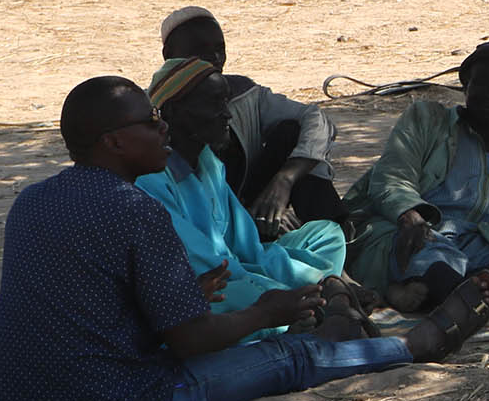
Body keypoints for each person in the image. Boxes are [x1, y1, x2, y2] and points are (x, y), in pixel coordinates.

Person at [0, 77, 489, 401]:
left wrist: (190, 293)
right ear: (114, 142)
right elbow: (190, 342)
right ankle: (413, 345)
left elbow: (96, 304)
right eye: (150, 122)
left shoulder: (31, 201)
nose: (162, 127)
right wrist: (266, 311)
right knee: (290, 358)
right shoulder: (137, 209)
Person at [344, 40, 489, 313]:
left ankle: (472, 291)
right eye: (481, 83)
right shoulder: (427, 120)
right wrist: (410, 215)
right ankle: (479, 291)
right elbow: (390, 180)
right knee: (436, 263)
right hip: (420, 237)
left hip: (482, 250)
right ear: (465, 85)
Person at [136, 57, 350, 340]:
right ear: (175, 111)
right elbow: (210, 269)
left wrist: (277, 275)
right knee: (235, 294)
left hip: (240, 267)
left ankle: (307, 300)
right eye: (214, 104)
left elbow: (247, 248)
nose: (227, 115)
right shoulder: (151, 178)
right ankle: (302, 309)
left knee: (328, 235)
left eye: (225, 102)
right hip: (206, 285)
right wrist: (279, 287)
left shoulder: (208, 162)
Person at [159, 6, 345, 234]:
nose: (215, 60)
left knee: (291, 132)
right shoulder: (158, 109)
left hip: (244, 203)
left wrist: (283, 181)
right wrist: (245, 221)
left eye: (220, 49)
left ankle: (335, 230)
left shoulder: (244, 92)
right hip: (209, 225)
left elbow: (316, 120)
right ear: (169, 55)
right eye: (200, 52)